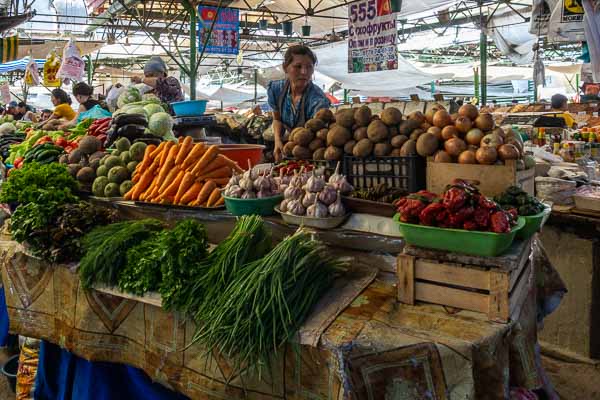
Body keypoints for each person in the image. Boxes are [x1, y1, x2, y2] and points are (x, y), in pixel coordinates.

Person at [267, 45, 331, 161]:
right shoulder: (276, 89)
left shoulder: (318, 100)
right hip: (292, 146)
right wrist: (277, 141)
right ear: (285, 68)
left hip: (312, 150)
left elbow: (317, 136)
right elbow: (277, 119)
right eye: (298, 66)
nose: (304, 72)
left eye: (309, 67)